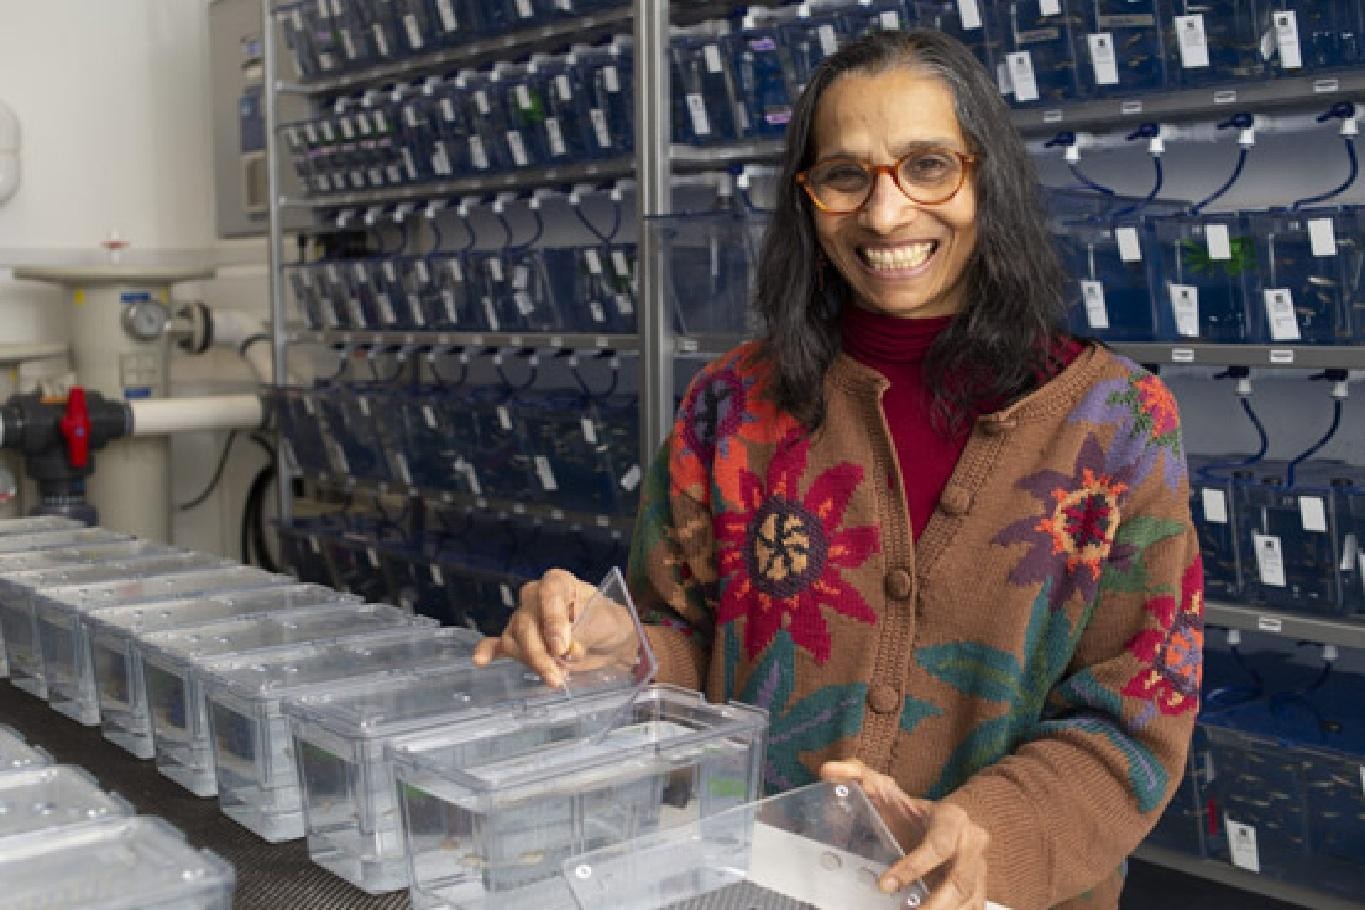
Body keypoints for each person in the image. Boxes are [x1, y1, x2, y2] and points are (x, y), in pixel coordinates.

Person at [472, 27, 1201, 910]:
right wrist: (616, 646)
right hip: (750, 880)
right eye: (846, 175)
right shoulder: (728, 405)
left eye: (928, 165)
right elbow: (684, 638)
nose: (885, 215)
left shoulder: (1116, 424)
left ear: (986, 175)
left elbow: (1130, 720)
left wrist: (986, 832)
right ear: (807, 198)